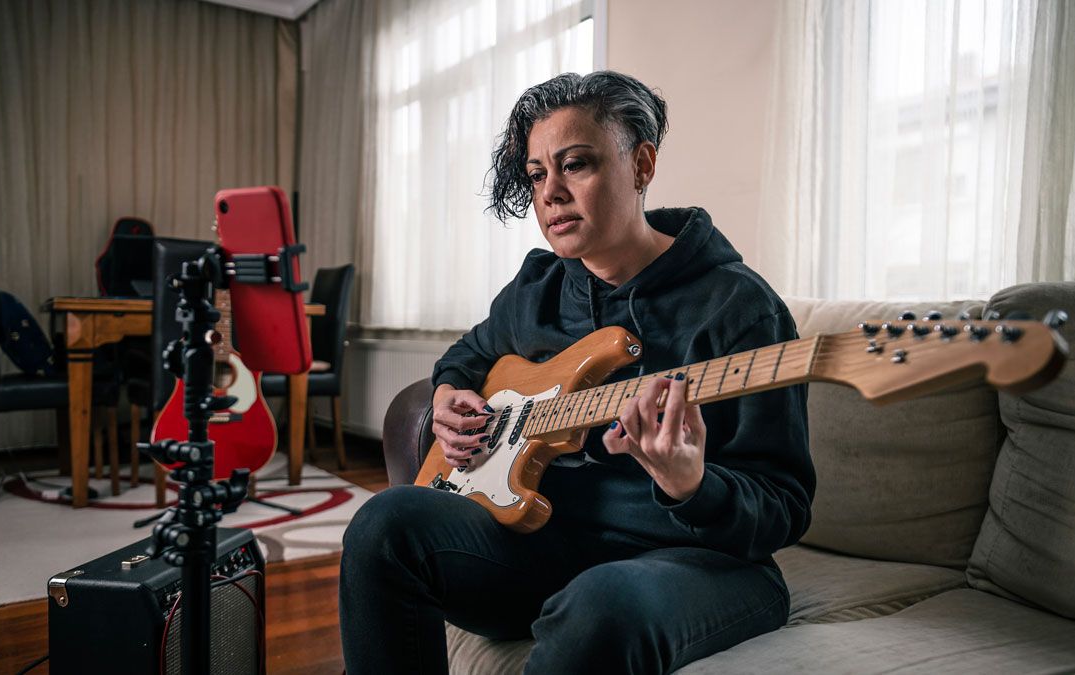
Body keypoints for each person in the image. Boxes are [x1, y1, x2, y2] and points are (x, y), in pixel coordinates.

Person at [339, 70, 814, 674]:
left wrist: (690, 484)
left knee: (600, 603)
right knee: (383, 521)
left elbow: (786, 505)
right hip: (547, 544)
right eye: (538, 174)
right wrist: (449, 393)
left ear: (641, 165)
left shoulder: (739, 308)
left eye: (576, 164)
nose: (550, 193)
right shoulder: (538, 287)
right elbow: (469, 352)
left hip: (698, 561)